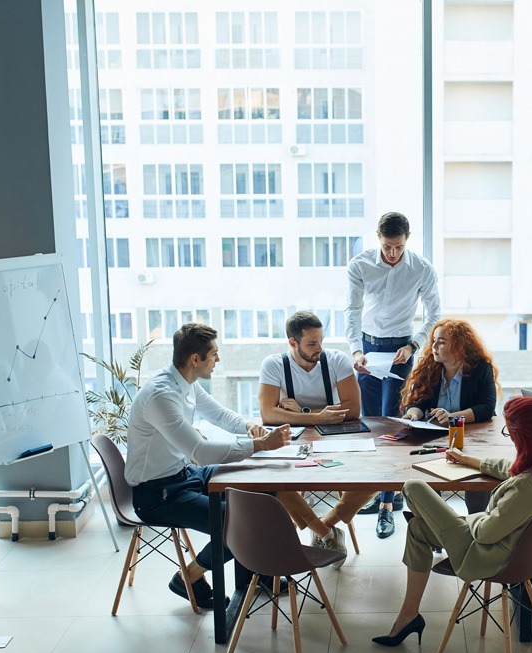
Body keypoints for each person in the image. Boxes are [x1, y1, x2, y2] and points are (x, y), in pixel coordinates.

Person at [372, 396, 532, 647]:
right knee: (417, 529)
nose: (509, 437)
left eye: (509, 432)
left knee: (413, 487)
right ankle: (408, 615)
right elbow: (514, 470)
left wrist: (469, 519)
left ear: (524, 437)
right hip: (516, 548)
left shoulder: (525, 489)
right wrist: (470, 461)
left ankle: (409, 612)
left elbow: (485, 534)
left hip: (486, 555)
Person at [125, 323, 292, 609]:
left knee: (262, 488)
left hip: (185, 475)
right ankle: (189, 576)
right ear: (195, 359)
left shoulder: (185, 382)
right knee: (241, 524)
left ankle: (256, 570)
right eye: (214, 354)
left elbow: (220, 415)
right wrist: (260, 446)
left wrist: (250, 427)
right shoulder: (161, 395)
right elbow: (200, 451)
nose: (219, 359)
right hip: (158, 493)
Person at [257, 310, 375, 567]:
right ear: (293, 343)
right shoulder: (274, 364)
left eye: (320, 340)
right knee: (271, 482)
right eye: (311, 343)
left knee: (377, 477)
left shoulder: (336, 360)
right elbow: (267, 414)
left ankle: (328, 524)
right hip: (294, 443)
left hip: (336, 439)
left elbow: (353, 409)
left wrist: (302, 413)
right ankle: (326, 534)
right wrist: (320, 417)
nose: (318, 348)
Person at [346, 211, 442, 528]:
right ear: (379, 238)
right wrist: (356, 349)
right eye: (388, 246)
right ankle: (379, 491)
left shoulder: (421, 269)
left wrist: (414, 345)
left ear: (406, 240)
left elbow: (433, 315)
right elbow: (353, 311)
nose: (392, 253)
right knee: (370, 425)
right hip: (368, 351)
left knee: (393, 428)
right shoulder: (360, 265)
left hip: (402, 350)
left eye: (398, 247)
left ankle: (388, 504)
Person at [386, 318, 501, 535]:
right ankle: (437, 531)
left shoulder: (480, 369)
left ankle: (475, 528)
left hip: (472, 440)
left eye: (441, 342)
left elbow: (487, 408)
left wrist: (452, 417)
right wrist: (413, 414)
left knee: (477, 481)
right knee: (423, 474)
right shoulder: (430, 367)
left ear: (459, 346)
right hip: (433, 439)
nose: (434, 347)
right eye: (434, 341)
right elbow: (416, 402)